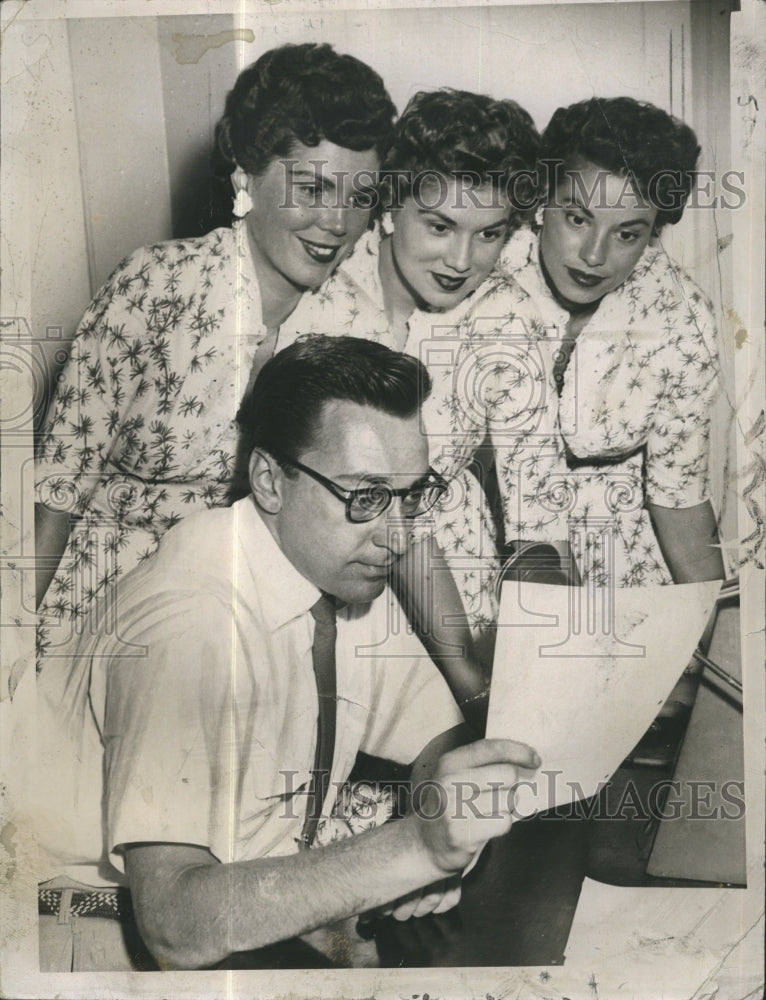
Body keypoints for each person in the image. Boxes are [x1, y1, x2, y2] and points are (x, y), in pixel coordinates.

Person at [35, 336, 540, 971]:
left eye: (411, 496)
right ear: (270, 481)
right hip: (83, 937)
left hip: (240, 916)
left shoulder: (341, 566)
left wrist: (440, 803)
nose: (398, 534)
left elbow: (438, 744)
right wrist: (418, 849)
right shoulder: (191, 625)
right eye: (366, 495)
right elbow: (172, 925)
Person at [33, 42, 396, 663]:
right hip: (100, 610)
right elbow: (56, 490)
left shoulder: (357, 326)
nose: (336, 222)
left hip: (250, 617)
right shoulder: (155, 285)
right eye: (311, 188)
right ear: (245, 177)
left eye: (359, 198)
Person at [279, 88, 543, 722]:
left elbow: (538, 485)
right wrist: (469, 678)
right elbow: (387, 518)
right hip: (348, 567)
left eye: (489, 235)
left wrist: (535, 644)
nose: (461, 261)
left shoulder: (507, 310)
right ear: (393, 206)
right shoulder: (323, 306)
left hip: (463, 573)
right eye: (441, 225)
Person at [494, 96, 726, 588]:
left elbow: (679, 497)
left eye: (626, 234)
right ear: (541, 201)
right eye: (577, 219)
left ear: (654, 234)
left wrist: (699, 628)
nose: (594, 255)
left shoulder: (682, 319)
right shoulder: (483, 269)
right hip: (490, 544)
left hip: (622, 562)